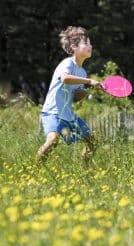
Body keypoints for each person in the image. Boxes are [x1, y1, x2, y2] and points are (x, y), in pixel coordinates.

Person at [36, 26, 101, 162]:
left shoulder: (82, 72)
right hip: (52, 112)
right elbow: (65, 78)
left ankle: (83, 168)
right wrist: (89, 81)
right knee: (53, 139)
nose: (90, 46)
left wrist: (88, 91)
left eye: (90, 43)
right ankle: (34, 170)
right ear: (74, 46)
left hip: (68, 115)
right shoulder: (67, 63)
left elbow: (76, 97)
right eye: (86, 43)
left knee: (92, 142)